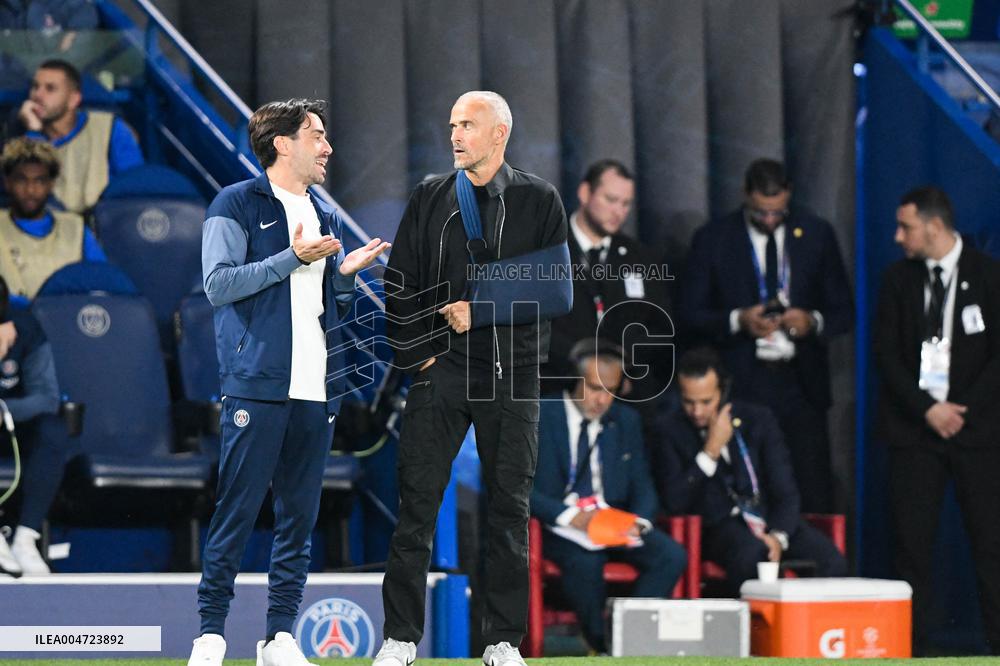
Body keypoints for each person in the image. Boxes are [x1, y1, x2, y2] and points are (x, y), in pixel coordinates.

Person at [188, 98, 389, 666]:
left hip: (315, 385)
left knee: (298, 518)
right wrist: (291, 257)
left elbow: (329, 310)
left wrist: (344, 279)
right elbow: (219, 285)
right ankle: (210, 634)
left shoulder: (322, 215)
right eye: (317, 136)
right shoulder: (234, 203)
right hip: (256, 382)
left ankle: (279, 637)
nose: (327, 147)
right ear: (283, 143)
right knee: (238, 509)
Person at [375, 90, 571, 666]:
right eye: (453, 123)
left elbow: (557, 289)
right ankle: (400, 639)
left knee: (509, 514)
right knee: (415, 508)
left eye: (469, 125)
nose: (456, 134)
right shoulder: (432, 195)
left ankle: (502, 641)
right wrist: (422, 360)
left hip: (511, 377)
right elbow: (399, 283)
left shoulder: (538, 198)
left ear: (500, 134)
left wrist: (479, 307)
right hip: (443, 372)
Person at [677, 158, 853, 513]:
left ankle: (815, 565)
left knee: (811, 488)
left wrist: (812, 322)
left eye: (778, 212)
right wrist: (738, 320)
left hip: (802, 385)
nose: (770, 220)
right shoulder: (714, 239)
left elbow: (843, 310)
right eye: (761, 213)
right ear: (745, 195)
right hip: (743, 382)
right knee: (751, 484)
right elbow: (688, 314)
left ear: (789, 196)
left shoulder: (816, 234)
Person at [874, 186, 1000, 655]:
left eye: (905, 226)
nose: (898, 236)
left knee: (991, 547)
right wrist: (928, 408)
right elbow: (886, 355)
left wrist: (961, 411)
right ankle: (916, 652)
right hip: (915, 433)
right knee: (912, 550)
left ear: (934, 225)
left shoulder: (989, 276)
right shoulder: (897, 281)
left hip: (979, 434)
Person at [650, 347, 846, 596]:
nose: (697, 412)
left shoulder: (758, 420)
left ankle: (817, 632)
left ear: (722, 392)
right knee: (753, 555)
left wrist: (777, 536)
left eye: (706, 402)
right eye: (689, 402)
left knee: (830, 561)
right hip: (720, 526)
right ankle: (757, 633)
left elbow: (785, 490)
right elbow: (674, 500)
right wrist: (710, 451)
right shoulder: (668, 430)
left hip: (770, 520)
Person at [531, 340, 686, 654]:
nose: (602, 400)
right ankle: (602, 644)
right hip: (559, 525)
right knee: (585, 562)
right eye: (594, 388)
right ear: (575, 379)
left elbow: (642, 484)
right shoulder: (540, 414)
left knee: (670, 555)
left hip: (611, 523)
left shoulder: (625, 421)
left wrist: (640, 522)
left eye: (611, 390)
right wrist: (570, 516)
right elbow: (517, 488)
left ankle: (627, 635)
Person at [546, 159, 672, 404]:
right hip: (559, 392)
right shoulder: (545, 251)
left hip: (624, 397)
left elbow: (659, 327)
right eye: (611, 200)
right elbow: (531, 325)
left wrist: (622, 368)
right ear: (585, 193)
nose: (619, 212)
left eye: (626, 204)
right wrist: (582, 366)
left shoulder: (640, 258)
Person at [17, 59, 143, 213]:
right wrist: (34, 132)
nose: (37, 95)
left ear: (73, 100)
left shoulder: (110, 129)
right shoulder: (27, 139)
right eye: (35, 87)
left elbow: (136, 189)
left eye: (50, 89)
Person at [0, 274, 63, 576]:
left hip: (13, 427)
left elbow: (47, 398)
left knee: (52, 429)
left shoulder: (25, 328)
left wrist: (3, 409)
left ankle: (25, 537)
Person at [0, 137, 106, 307]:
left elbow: (102, 282)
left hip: (67, 320)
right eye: (21, 180)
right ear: (7, 183)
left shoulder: (76, 228)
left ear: (51, 184)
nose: (30, 190)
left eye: (39, 181)